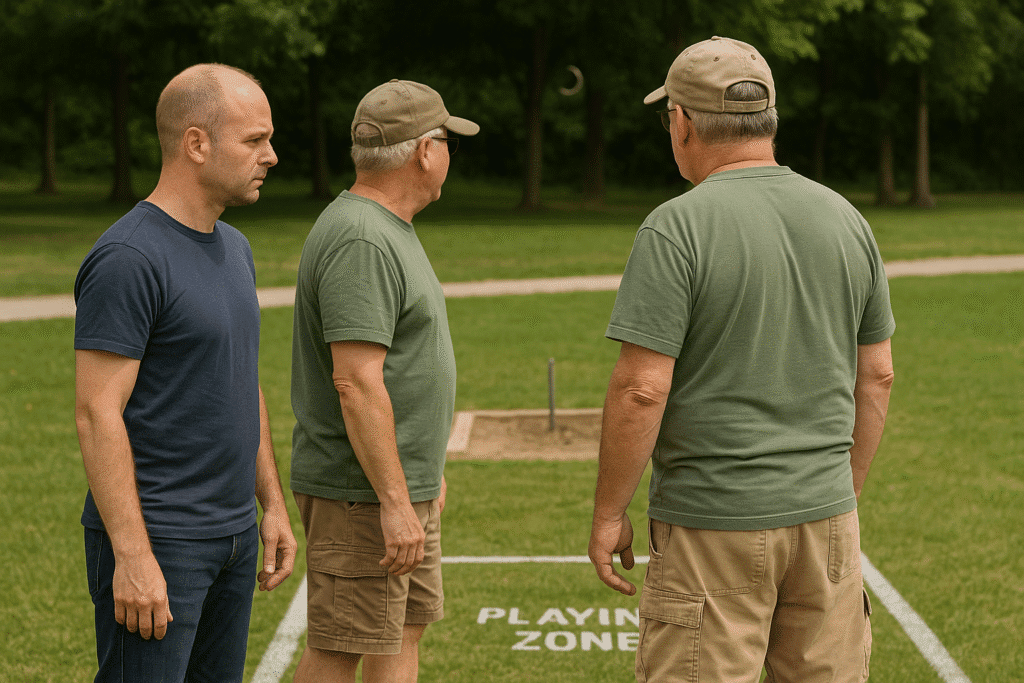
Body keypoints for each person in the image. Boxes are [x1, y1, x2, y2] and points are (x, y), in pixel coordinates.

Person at [588, 37, 896, 683]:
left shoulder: (675, 227)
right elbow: (878, 375)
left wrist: (609, 512)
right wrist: (843, 490)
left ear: (684, 121)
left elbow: (642, 389)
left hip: (710, 525)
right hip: (827, 519)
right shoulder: (847, 219)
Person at [74, 63, 296, 682]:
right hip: (162, 542)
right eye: (255, 140)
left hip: (232, 537)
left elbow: (239, 380)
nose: (271, 156)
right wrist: (134, 555)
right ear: (197, 144)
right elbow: (97, 413)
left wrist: (270, 505)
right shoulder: (128, 257)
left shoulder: (235, 247)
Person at [289, 79, 478, 683]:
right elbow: (356, 382)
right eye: (447, 139)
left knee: (401, 629)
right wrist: (396, 502)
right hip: (362, 493)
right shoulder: (363, 237)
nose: (449, 153)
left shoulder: (386, 226)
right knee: (342, 643)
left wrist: (424, 478)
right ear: (425, 150)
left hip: (397, 485)